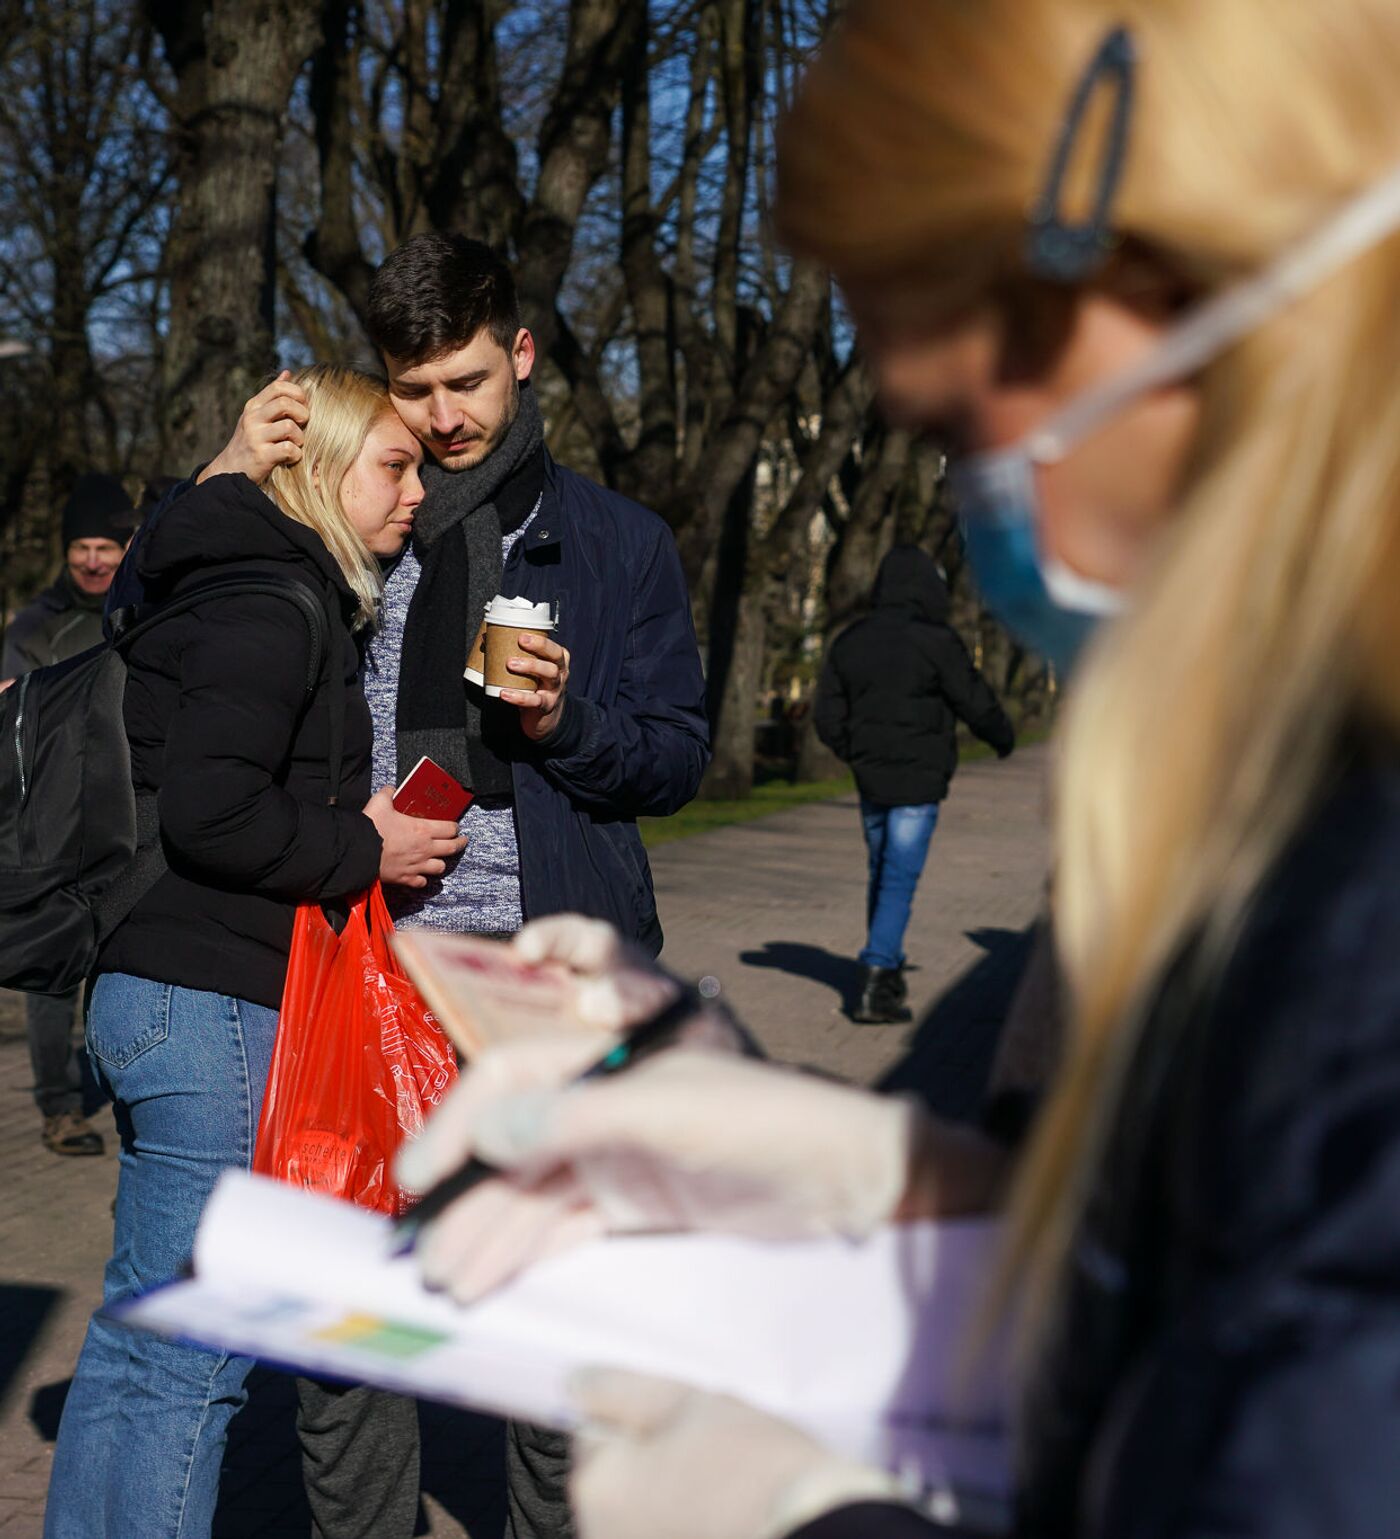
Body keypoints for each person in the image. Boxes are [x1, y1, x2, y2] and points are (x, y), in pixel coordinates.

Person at [395, 2, 1400, 1537]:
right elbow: (1221, 1262)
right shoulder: (1267, 777)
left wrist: (816, 1514)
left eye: (963, 419)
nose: (977, 494)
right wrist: (893, 1176)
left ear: (1186, 300)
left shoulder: (1352, 871)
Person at [118, 235, 710, 1539]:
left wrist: (567, 727)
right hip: (354, 953)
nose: (441, 418)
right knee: (348, 1325)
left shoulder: (616, 543)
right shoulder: (349, 505)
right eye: (415, 388)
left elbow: (676, 755)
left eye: (464, 384)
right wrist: (219, 472)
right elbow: (157, 619)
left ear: (520, 354)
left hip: (543, 976)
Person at [43, 366, 463, 1539]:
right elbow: (210, 811)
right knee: (187, 1364)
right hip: (213, 1001)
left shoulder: (216, 577)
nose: (415, 492)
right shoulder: (271, 604)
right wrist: (360, 847)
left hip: (163, 991)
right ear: (317, 471)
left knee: (145, 1343)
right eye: (393, 465)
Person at [814, 546, 1014, 1023]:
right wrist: (1000, 736)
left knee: (883, 872)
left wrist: (855, 751)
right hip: (918, 780)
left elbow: (827, 716)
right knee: (898, 878)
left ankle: (887, 962)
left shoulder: (851, 641)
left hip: (871, 779)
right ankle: (875, 979)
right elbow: (971, 696)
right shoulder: (936, 641)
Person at [2, 472, 135, 1156]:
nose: (92, 559)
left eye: (106, 546)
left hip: (124, 816)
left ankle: (128, 1092)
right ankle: (59, 1107)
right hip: (50, 818)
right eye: (80, 545)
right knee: (53, 970)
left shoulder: (141, 612)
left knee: (118, 965)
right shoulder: (34, 627)